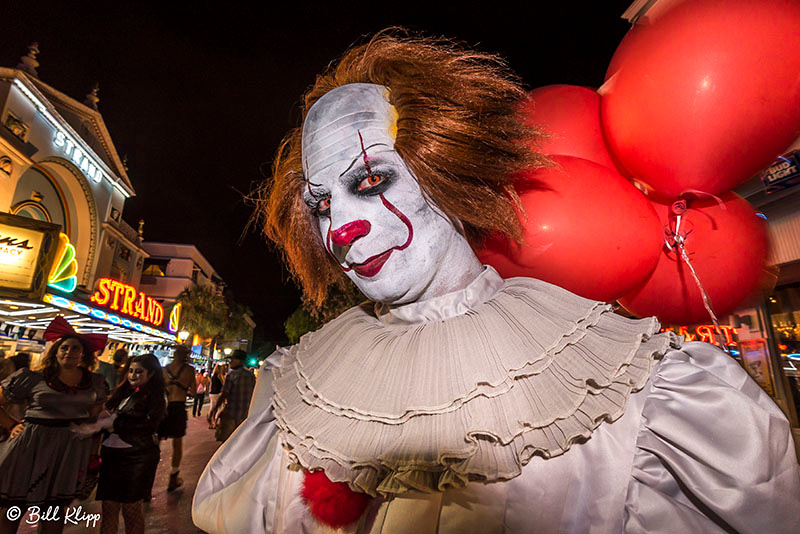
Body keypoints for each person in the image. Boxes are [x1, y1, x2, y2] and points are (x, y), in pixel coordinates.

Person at [193, 33, 800, 533]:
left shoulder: (636, 388)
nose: (341, 230)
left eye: (373, 182)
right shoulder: (301, 393)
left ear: (447, 171)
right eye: (322, 206)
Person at [0, 316, 107, 534]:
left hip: (68, 450)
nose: (69, 351)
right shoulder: (33, 378)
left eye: (75, 348)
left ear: (83, 354)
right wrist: (12, 425)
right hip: (30, 445)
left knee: (54, 511)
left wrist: (93, 454)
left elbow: (95, 420)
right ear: (55, 351)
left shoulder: (94, 382)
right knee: (13, 508)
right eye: (64, 347)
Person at [72, 353, 166, 534]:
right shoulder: (122, 392)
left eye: (139, 372)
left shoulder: (156, 397)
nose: (133, 375)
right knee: (109, 508)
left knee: (131, 510)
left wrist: (114, 424)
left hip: (136, 458)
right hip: (112, 456)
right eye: (130, 371)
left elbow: (147, 426)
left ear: (152, 374)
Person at [158, 345, 194, 492]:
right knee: (177, 444)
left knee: (156, 442)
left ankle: (147, 478)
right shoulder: (189, 371)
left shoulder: (164, 370)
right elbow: (193, 392)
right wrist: (184, 389)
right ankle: (173, 477)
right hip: (178, 407)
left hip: (164, 408)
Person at [209, 350, 255, 443]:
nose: (230, 362)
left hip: (232, 413)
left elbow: (224, 394)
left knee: (227, 441)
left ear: (240, 361)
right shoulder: (250, 376)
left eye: (233, 360)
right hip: (245, 415)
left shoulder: (232, 375)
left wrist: (214, 410)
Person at [207, 364, 225, 429]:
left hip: (212, 394)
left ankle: (211, 423)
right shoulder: (219, 375)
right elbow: (224, 384)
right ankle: (215, 422)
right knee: (221, 408)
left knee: (213, 409)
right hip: (217, 394)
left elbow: (210, 386)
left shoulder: (213, 376)